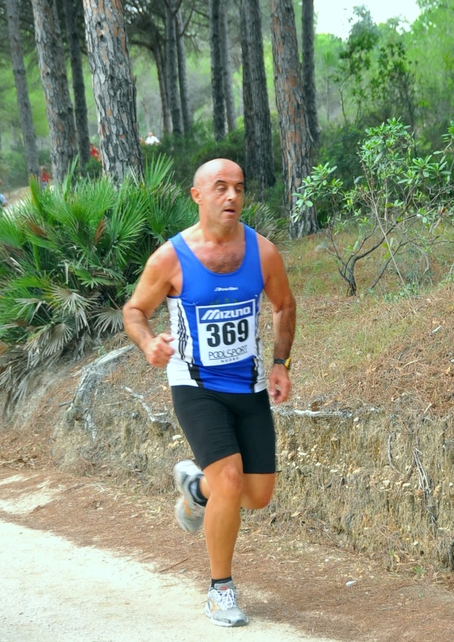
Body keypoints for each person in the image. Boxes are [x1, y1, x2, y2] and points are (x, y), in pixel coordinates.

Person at [123, 158, 296, 627]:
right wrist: (147, 343)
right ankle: (221, 589)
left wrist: (279, 363)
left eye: (238, 188)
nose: (232, 197)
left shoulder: (263, 253)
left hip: (250, 385)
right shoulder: (170, 258)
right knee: (231, 481)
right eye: (220, 188)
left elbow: (283, 305)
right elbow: (135, 310)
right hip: (195, 386)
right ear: (197, 196)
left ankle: (196, 490)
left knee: (257, 495)